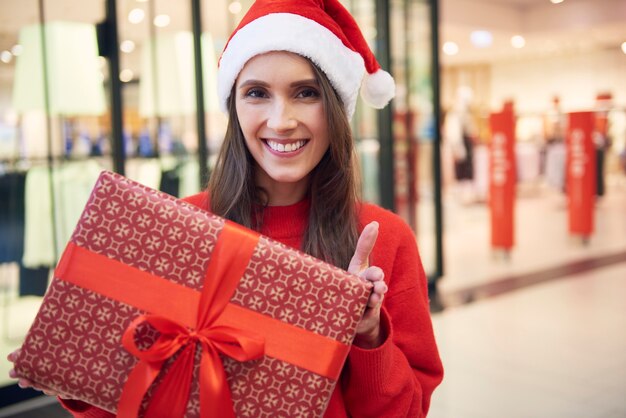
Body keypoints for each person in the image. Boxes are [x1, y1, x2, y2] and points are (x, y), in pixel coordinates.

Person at [8, 0, 443, 416]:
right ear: (233, 107)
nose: (280, 120)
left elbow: (406, 412)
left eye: (305, 93)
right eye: (256, 93)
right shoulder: (179, 225)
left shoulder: (383, 238)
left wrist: (368, 335)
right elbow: (135, 399)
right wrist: (74, 377)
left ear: (336, 107)